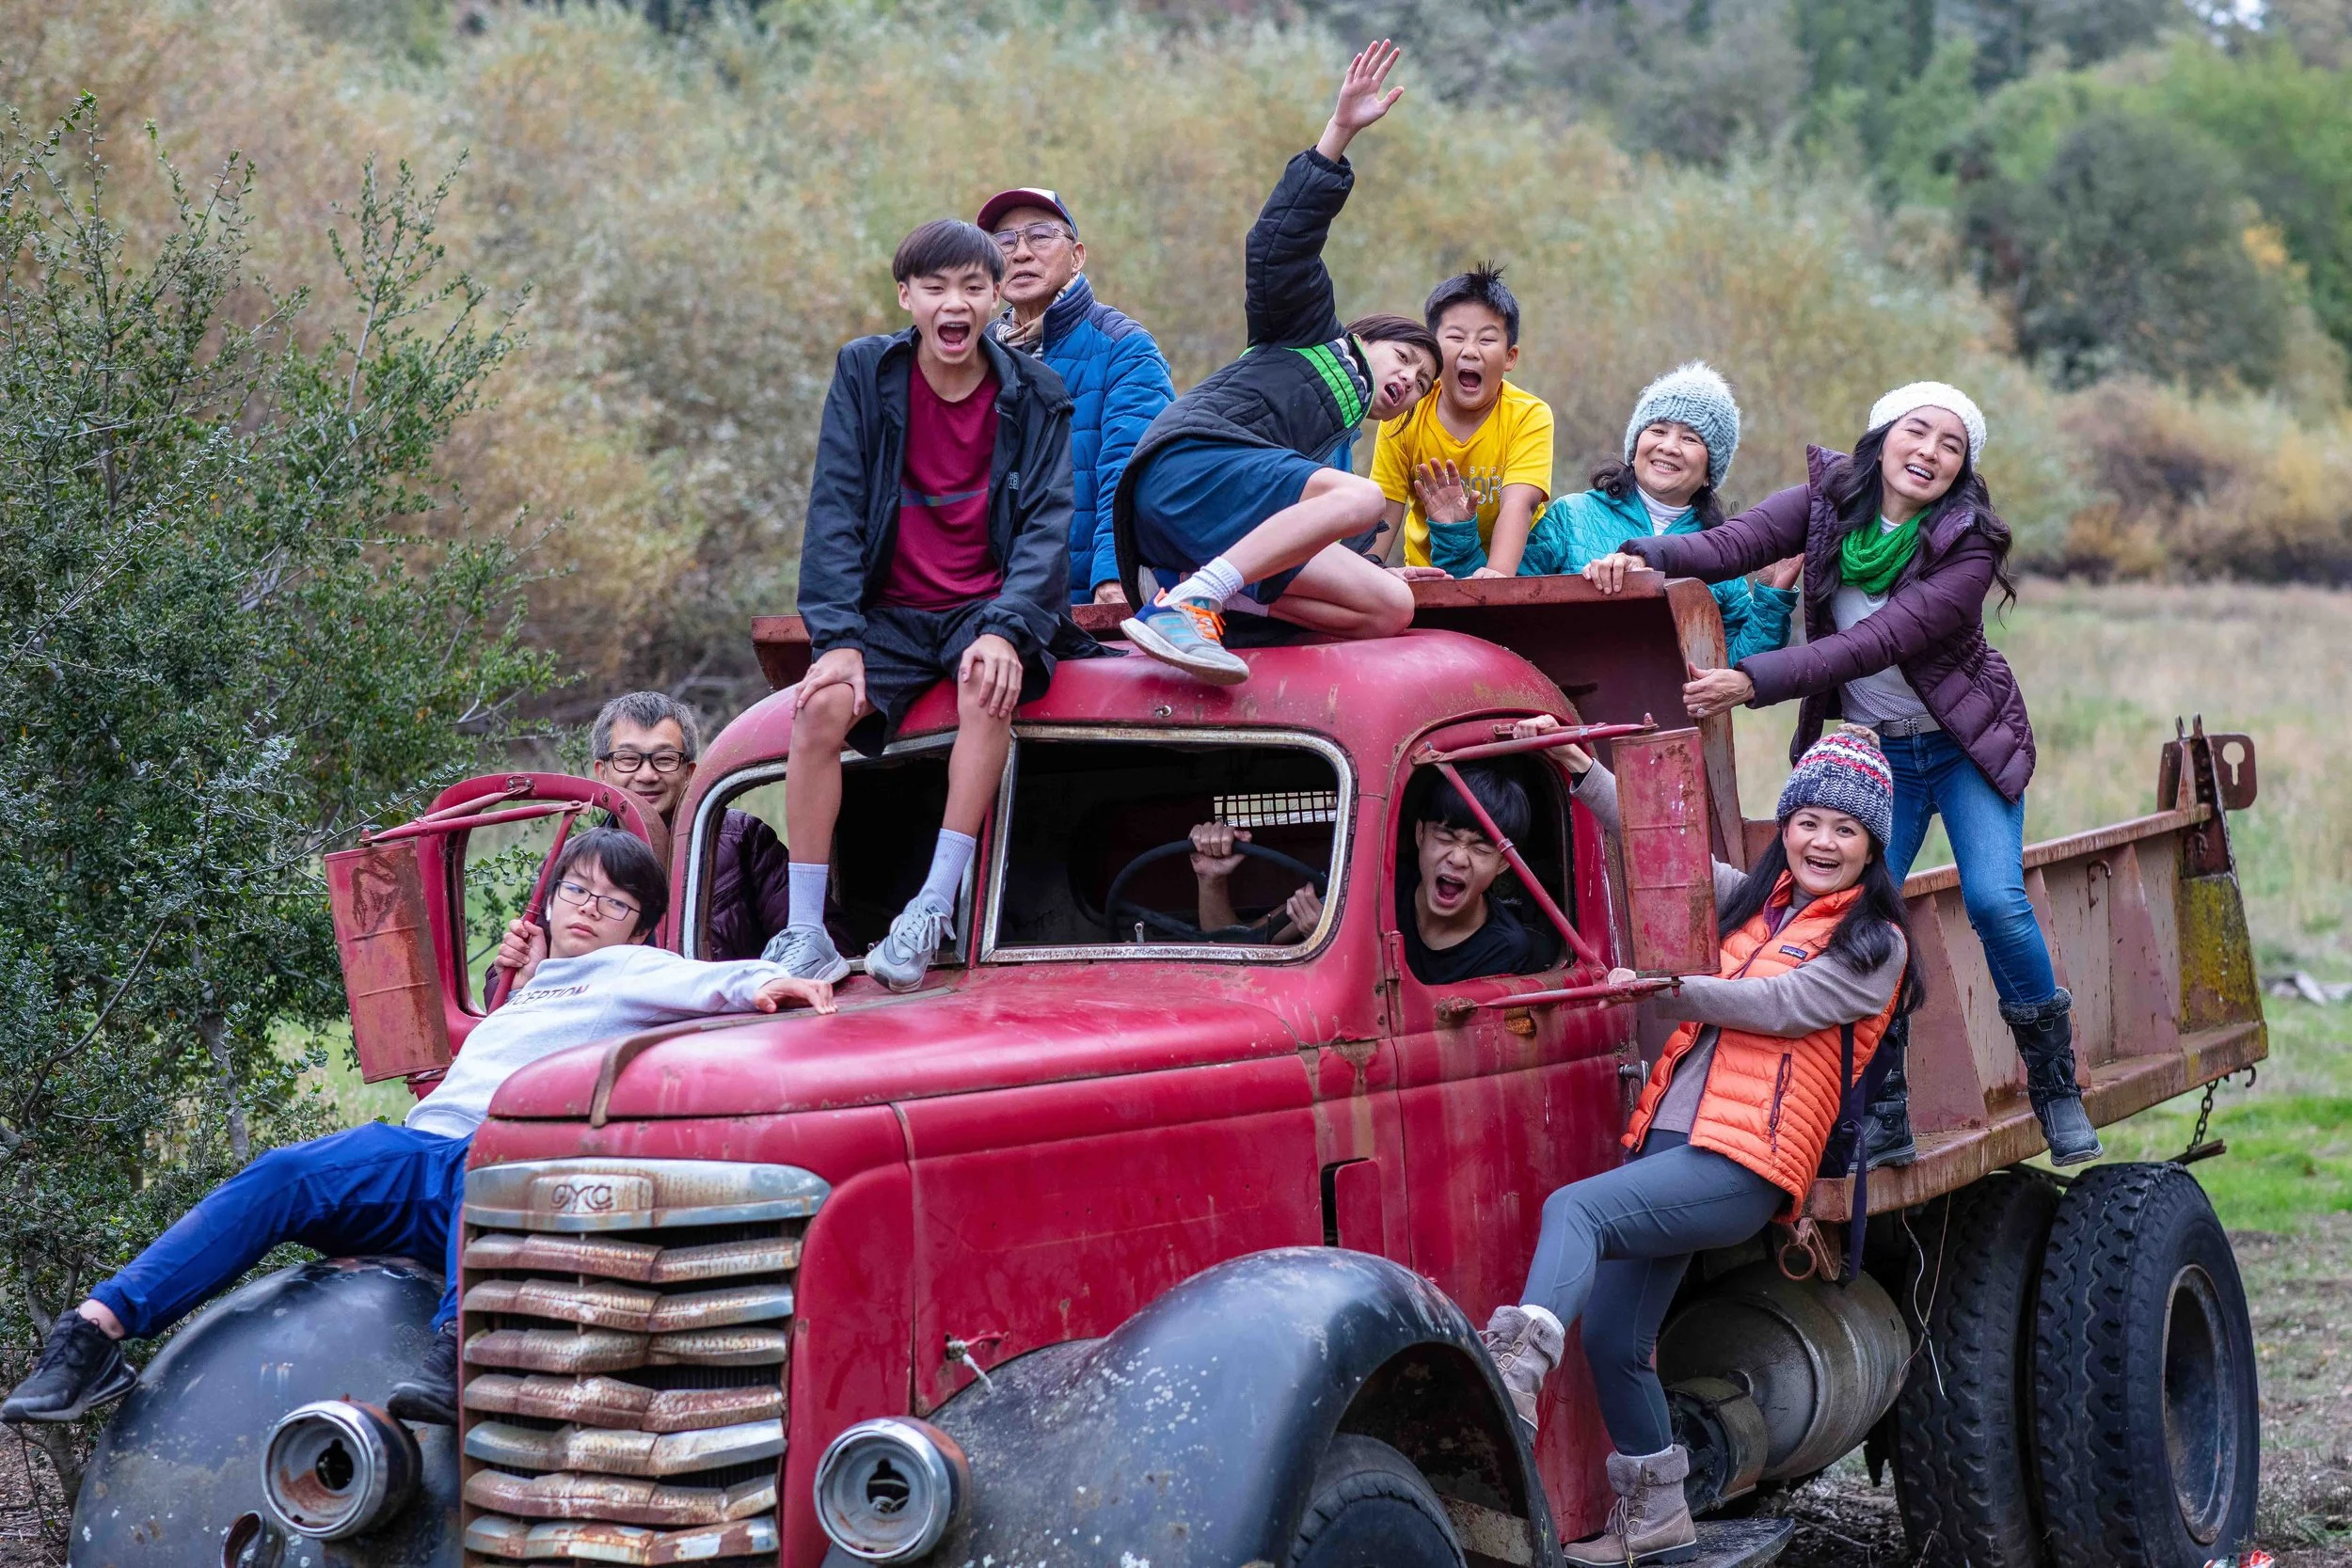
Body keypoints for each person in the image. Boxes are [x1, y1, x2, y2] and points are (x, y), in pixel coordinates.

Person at [0, 830, 834, 1430]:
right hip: (421, 1151)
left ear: (638, 925)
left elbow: (717, 982)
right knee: (287, 1171)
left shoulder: (636, 970)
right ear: (553, 896)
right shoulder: (537, 981)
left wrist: (777, 983)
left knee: (496, 1160)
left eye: (614, 902)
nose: (591, 907)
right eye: (577, 888)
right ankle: (94, 1332)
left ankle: (453, 1356)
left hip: (503, 1159)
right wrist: (526, 972)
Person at [1583, 382, 2097, 1167]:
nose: (1928, 452)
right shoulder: (1827, 503)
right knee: (1858, 924)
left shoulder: (1966, 541)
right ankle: (1885, 1108)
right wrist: (1635, 556)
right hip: (1884, 752)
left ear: (1962, 470)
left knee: (1995, 900)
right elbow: (1731, 546)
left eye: (1950, 445)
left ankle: (2055, 1084)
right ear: (1883, 435)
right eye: (1917, 432)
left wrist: (1752, 678)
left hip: (1964, 747)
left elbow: (1878, 642)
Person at [1479, 727, 1920, 1566]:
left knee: (1574, 1209)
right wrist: (1578, 770)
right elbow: (1659, 847)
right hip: (1675, 1142)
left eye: (1846, 830)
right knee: (1615, 1334)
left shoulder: (1874, 943)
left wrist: (1666, 984)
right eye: (1810, 821)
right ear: (1786, 825)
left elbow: (1784, 1003)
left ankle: (1515, 1367)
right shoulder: (1758, 900)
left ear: (1872, 847)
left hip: (1743, 1162)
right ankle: (1656, 1517)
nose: (1823, 842)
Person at [768, 217, 1073, 992]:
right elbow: (833, 508)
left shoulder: (1035, 392)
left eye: (974, 287)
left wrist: (1008, 626)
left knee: (988, 685)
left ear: (997, 296)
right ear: (905, 296)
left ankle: (933, 904)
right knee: (819, 707)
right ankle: (806, 930)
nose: (955, 303)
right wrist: (836, 637)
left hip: (985, 603)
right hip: (888, 613)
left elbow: (1046, 524)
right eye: (935, 287)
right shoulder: (866, 373)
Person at [1109, 40, 1439, 685]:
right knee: (1364, 497)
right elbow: (1276, 245)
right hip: (1187, 472)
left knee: (1388, 607)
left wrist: (1374, 570)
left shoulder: (1329, 456)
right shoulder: (1309, 338)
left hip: (1217, 524)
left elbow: (1317, 546)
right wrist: (1338, 132)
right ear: (1363, 338)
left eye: (1422, 385)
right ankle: (1195, 597)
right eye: (1403, 358)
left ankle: (1197, 597)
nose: (1407, 381)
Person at [1424, 361, 1799, 660]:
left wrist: (1771, 594)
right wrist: (1457, 538)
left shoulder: (1718, 551)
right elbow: (1496, 616)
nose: (1669, 446)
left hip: (1670, 737)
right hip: (1563, 725)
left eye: (1690, 438)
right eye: (1657, 430)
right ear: (1635, 444)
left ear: (1710, 470)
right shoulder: (1571, 517)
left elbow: (1731, 667)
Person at [979, 187, 1175, 607]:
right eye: (1005, 241)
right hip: (990, 605)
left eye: (1041, 236)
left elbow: (1132, 469)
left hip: (1084, 597)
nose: (1021, 253)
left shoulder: (1124, 347)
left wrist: (1113, 572)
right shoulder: (974, 358)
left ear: (1077, 256)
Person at [1367, 265, 1554, 575]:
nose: (1470, 351)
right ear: (1433, 347)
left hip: (1515, 573)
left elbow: (1519, 504)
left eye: (1487, 340)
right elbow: (1386, 505)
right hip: (1429, 573)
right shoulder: (1407, 412)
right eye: (1455, 337)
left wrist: (1498, 576)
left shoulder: (1529, 416)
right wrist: (1370, 573)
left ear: (1510, 357)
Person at [588, 691, 788, 961]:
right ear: (602, 772)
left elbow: (811, 940)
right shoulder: (576, 860)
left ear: (690, 773)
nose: (647, 775)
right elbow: (554, 968)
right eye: (627, 759)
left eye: (665, 759)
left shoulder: (745, 839)